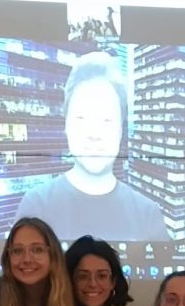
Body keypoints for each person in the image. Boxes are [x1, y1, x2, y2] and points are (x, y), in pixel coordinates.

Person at [14, 51, 169, 243]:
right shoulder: (37, 205)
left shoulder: (147, 214)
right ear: (66, 124)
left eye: (106, 120)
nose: (94, 134)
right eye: (82, 118)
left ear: (121, 129)